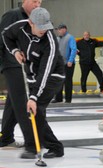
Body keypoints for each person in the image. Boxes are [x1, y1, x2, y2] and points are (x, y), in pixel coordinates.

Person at [2, 7, 66, 159]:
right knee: (34, 112)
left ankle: (50, 147)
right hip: (33, 75)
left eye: (46, 27)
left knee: (33, 110)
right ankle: (42, 145)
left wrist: (34, 97)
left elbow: (46, 72)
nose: (44, 31)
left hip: (52, 76)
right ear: (31, 23)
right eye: (40, 27)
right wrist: (15, 51)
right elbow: (6, 36)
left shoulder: (50, 42)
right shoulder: (19, 27)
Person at [0, 0, 42, 149]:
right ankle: (33, 143)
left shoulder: (35, 19)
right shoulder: (12, 15)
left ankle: (5, 138)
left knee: (13, 103)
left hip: (26, 66)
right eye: (34, 1)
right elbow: (2, 38)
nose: (37, 4)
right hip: (13, 64)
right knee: (23, 101)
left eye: (39, 1)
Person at [52, 24, 77, 103]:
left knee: (68, 81)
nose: (58, 31)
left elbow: (73, 49)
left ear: (64, 29)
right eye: (58, 30)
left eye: (59, 29)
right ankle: (58, 98)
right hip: (59, 64)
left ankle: (68, 99)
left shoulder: (70, 38)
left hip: (68, 63)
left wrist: (70, 60)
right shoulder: (57, 39)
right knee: (58, 80)